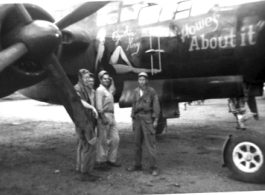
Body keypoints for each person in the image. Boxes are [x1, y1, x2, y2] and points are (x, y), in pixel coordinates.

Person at [127, 72, 161, 176]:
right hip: (137, 119)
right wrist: (133, 117)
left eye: (143, 79)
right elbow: (134, 104)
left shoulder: (151, 91)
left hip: (147, 119)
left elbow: (156, 105)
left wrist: (155, 120)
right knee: (137, 144)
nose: (141, 81)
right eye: (140, 79)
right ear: (138, 81)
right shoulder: (136, 91)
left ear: (146, 81)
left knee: (150, 144)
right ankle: (137, 165)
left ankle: (154, 167)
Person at [95, 28, 161, 75]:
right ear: (99, 38)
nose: (103, 39)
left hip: (109, 64)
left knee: (119, 48)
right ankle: (153, 70)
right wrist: (96, 74)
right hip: (110, 68)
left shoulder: (102, 45)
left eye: (104, 37)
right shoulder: (101, 47)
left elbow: (99, 61)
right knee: (133, 70)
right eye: (102, 37)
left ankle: (129, 64)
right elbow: (97, 62)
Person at [74, 69, 99, 182]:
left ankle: (80, 168)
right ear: (80, 78)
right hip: (84, 122)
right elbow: (79, 101)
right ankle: (85, 172)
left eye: (88, 77)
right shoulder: (77, 88)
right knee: (90, 146)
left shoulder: (85, 88)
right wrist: (92, 107)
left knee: (82, 145)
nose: (88, 79)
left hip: (85, 121)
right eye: (85, 77)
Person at [95, 70, 121, 170]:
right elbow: (98, 106)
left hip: (111, 116)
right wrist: (102, 117)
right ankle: (101, 162)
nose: (106, 80)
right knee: (102, 141)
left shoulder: (108, 90)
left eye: (108, 79)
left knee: (115, 139)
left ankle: (111, 160)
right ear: (100, 80)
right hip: (104, 116)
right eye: (104, 79)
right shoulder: (99, 90)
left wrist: (112, 81)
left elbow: (113, 90)